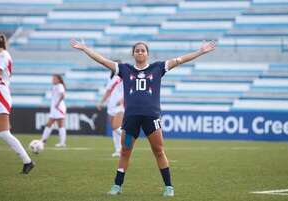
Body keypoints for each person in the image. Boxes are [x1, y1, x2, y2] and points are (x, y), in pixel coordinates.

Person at [71, 39, 216, 197]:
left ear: (147, 53)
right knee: (125, 151)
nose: (140, 52)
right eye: (137, 50)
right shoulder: (125, 69)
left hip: (151, 118)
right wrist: (85, 49)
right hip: (130, 120)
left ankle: (168, 186)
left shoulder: (158, 67)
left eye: (143, 50)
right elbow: (102, 60)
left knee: (159, 151)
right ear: (133, 53)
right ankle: (117, 185)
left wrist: (200, 51)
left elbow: (180, 60)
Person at [0, 33, 35, 174]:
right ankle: (28, 161)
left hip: (1, 96)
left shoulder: (3, 56)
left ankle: (28, 161)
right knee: (4, 133)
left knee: (4, 134)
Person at [97, 69, 124, 157]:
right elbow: (108, 92)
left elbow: (130, 90)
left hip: (120, 105)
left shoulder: (123, 77)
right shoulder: (111, 79)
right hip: (111, 105)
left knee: (116, 127)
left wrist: (123, 99)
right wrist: (102, 102)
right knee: (114, 128)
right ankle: (118, 150)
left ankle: (128, 139)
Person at [40, 74, 67, 147]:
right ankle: (44, 140)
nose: (52, 80)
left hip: (59, 108)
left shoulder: (60, 86)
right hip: (55, 108)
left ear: (58, 79)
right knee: (51, 124)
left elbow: (63, 95)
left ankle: (44, 140)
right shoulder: (55, 86)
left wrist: (58, 103)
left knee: (57, 124)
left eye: (54, 78)